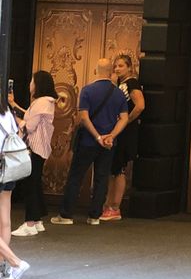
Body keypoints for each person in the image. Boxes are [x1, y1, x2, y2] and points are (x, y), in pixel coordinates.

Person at [51, 58, 129, 226]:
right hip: (108, 144)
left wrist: (97, 136)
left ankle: (66, 215)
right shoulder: (119, 94)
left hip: (88, 141)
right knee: (102, 178)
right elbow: (124, 118)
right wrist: (111, 135)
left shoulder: (87, 90)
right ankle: (94, 215)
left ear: (96, 70)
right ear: (111, 71)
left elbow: (84, 117)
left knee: (76, 176)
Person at [8, 70, 57, 237]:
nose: (30, 84)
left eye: (32, 81)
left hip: (34, 148)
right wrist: (13, 105)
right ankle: (37, 220)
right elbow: (29, 116)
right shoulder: (46, 102)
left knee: (31, 185)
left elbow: (28, 126)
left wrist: (15, 119)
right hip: (40, 148)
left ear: (38, 84)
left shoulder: (41, 102)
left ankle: (29, 223)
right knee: (34, 183)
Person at [101, 53, 144, 221]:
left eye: (121, 66)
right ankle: (108, 204)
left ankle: (114, 206)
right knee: (114, 168)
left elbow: (140, 106)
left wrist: (126, 121)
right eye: (115, 66)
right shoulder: (120, 84)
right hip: (118, 130)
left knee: (118, 168)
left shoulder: (131, 83)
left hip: (125, 132)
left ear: (129, 67)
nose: (117, 69)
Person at [0, 92, 30, 279]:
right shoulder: (7, 112)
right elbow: (20, 132)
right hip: (9, 167)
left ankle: (16, 263)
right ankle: (1, 267)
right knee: (4, 221)